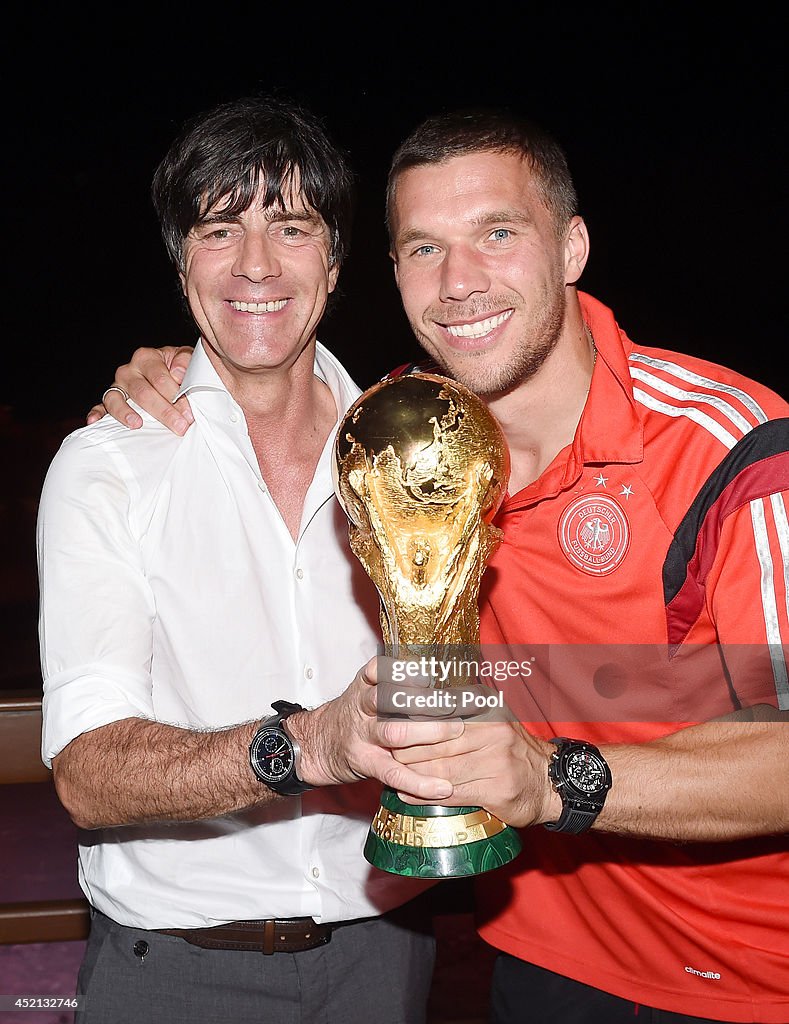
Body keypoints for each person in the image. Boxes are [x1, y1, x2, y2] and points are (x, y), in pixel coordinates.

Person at [90, 106, 789, 1024]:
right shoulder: (397, 435)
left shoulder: (724, 444)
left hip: (733, 977)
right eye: (423, 249)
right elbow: (272, 393)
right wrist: (178, 372)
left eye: (496, 233)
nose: (460, 282)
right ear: (390, 273)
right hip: (531, 955)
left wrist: (550, 781)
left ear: (571, 246)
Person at [37, 95, 465, 1024]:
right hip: (177, 973)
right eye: (219, 229)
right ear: (181, 260)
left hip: (388, 957)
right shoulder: (108, 464)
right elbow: (85, 771)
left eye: (292, 227)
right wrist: (307, 742)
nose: (256, 265)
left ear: (337, 259)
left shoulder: (419, 445)